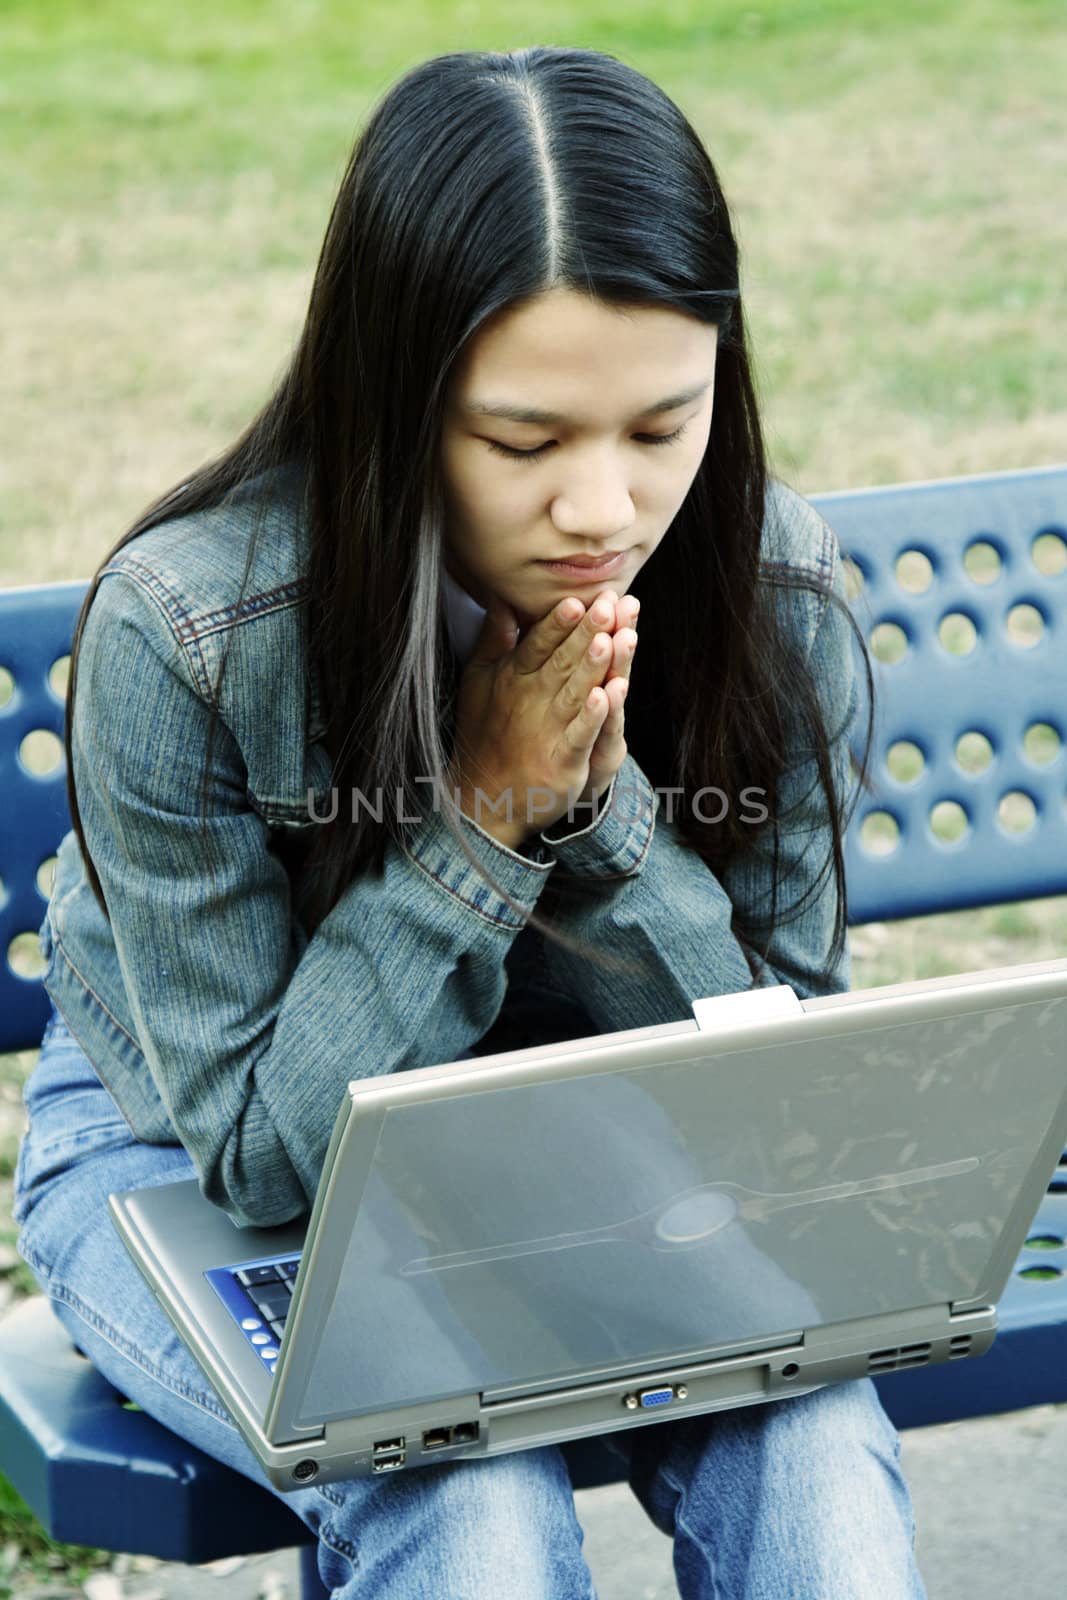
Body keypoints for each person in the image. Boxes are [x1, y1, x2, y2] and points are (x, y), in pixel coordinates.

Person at [13, 42, 925, 1600]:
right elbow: (256, 1151)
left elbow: (767, 1094)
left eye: (660, 427)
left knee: (815, 1427)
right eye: (524, 442)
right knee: (452, 1470)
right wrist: (487, 826)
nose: (602, 511)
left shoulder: (778, 593)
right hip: (173, 1154)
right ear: (394, 403)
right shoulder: (192, 629)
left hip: (591, 1139)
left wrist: (598, 816)